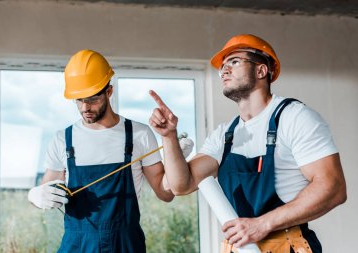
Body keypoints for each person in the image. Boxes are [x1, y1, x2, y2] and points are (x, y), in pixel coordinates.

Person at [149, 34, 347, 253]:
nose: (224, 70)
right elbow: (181, 185)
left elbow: (333, 187)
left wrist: (262, 224)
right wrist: (168, 136)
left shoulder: (294, 118)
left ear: (261, 71)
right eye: (222, 66)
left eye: (234, 62)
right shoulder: (225, 135)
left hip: (289, 247)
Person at [27, 49, 193, 253]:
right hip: (77, 245)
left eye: (92, 99)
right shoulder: (62, 140)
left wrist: (174, 152)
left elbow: (165, 193)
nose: (85, 107)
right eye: (78, 100)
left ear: (109, 91)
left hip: (125, 244)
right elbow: (49, 193)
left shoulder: (139, 134)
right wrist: (35, 196)